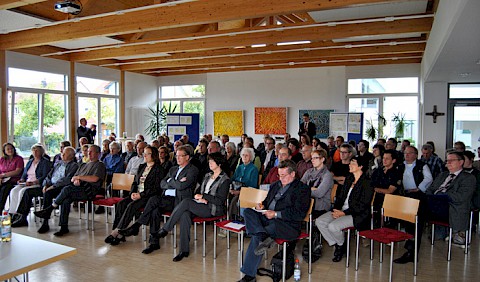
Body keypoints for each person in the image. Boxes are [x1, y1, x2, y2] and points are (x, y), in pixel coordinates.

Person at [238, 160, 311, 282]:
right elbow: (266, 203)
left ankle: (249, 276)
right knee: (247, 211)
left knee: (258, 236)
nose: (280, 178)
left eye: (283, 175)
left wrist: (276, 214)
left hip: (286, 225)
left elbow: (299, 214)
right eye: (279, 175)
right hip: (267, 218)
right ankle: (262, 234)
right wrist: (261, 207)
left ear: (292, 174)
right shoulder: (275, 185)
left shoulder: (302, 189)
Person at [119, 145, 199, 254]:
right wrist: (175, 182)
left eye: (181, 156)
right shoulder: (173, 169)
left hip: (179, 201)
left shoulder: (193, 170)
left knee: (153, 201)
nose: (177, 158)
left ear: (187, 157)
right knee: (154, 210)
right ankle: (154, 243)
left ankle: (138, 225)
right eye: (176, 155)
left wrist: (170, 181)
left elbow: (181, 187)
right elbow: (162, 183)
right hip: (166, 198)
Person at [155, 152, 230, 261]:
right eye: (209, 161)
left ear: (219, 163)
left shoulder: (225, 180)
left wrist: (204, 197)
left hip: (214, 209)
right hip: (201, 204)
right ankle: (183, 250)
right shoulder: (208, 175)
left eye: (212, 161)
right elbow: (199, 190)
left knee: (186, 202)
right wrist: (199, 196)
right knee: (185, 214)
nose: (210, 163)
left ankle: (166, 228)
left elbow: (220, 200)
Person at [35, 145, 106, 236]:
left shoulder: (99, 165)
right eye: (88, 151)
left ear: (98, 154)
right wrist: (76, 180)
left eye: (92, 152)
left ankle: (49, 209)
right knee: (65, 199)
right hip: (78, 188)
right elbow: (73, 178)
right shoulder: (83, 165)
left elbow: (95, 179)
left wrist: (79, 178)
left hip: (89, 191)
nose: (89, 153)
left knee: (67, 189)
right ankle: (63, 227)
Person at [315, 156, 373, 262]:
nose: (350, 165)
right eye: (350, 162)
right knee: (320, 222)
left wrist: (343, 213)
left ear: (361, 166)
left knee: (333, 226)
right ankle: (339, 244)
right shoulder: (349, 178)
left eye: (353, 163)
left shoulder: (367, 183)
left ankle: (340, 247)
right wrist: (336, 210)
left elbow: (362, 205)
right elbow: (340, 197)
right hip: (341, 210)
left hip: (356, 214)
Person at [105, 146, 165, 246]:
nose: (144, 155)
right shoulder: (142, 166)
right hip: (137, 194)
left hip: (148, 196)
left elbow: (156, 189)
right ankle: (119, 233)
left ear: (153, 155)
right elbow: (135, 182)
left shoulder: (159, 169)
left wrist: (140, 195)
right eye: (144, 153)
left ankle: (116, 232)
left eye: (147, 153)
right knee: (121, 204)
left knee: (131, 206)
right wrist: (132, 193)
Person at [14, 146, 78, 231]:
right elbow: (49, 176)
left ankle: (45, 223)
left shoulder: (74, 166)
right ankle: (23, 217)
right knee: (27, 192)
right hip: (49, 186)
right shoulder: (58, 164)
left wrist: (52, 186)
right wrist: (46, 185)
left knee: (48, 193)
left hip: (60, 188)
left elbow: (67, 179)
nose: (61, 154)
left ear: (71, 155)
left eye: (64, 153)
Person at [425, 151, 476, 247]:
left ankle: (455, 234)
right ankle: (413, 234)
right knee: (418, 202)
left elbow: (461, 197)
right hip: (435, 204)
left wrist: (442, 196)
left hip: (452, 206)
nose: (447, 163)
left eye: (451, 160)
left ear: (461, 162)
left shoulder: (468, 178)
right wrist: (433, 197)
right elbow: (430, 189)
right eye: (447, 161)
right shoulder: (442, 175)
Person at [392, 146, 433, 264]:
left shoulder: (422, 165)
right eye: (405, 153)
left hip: (418, 196)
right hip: (404, 196)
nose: (407, 155)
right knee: (407, 223)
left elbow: (429, 178)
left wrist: (419, 188)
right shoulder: (401, 165)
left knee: (416, 224)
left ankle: (412, 252)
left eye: (410, 153)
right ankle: (408, 247)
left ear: (416, 154)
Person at [7, 144, 51, 223]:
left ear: (41, 152)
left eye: (36, 150)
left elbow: (45, 176)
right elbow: (24, 174)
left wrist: (34, 182)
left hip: (37, 183)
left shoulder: (45, 162)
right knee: (14, 191)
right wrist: (22, 180)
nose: (35, 152)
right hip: (27, 182)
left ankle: (20, 215)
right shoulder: (30, 161)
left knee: (22, 192)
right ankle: (12, 213)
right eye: (33, 150)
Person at [301, 149, 334, 216]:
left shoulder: (327, 175)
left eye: (315, 158)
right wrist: (311, 189)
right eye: (312, 158)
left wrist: (305, 189)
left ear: (322, 159)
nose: (312, 160)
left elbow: (319, 193)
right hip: (306, 202)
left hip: (320, 206)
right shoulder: (309, 171)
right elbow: (299, 186)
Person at [0, 143, 24, 212]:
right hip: (3, 180)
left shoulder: (19, 159)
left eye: (12, 148)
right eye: (8, 149)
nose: (10, 150)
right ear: (4, 151)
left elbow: (17, 172)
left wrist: (3, 175)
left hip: (14, 180)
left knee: (4, 190)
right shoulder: (2, 159)